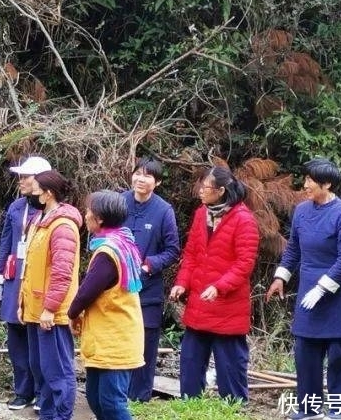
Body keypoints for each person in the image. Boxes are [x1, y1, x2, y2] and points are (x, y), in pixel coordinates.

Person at [265, 158, 341, 419]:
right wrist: (280, 277)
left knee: (340, 353)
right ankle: (308, 407)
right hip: (307, 291)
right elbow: (293, 249)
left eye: (310, 180)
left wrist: (322, 289)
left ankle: (340, 409)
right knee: (306, 351)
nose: (305, 184)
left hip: (338, 293)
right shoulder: (302, 211)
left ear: (326, 184)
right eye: (304, 179)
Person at [169, 165, 259, 403]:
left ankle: (233, 411)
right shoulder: (202, 214)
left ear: (220, 191)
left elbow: (244, 264)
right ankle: (190, 409)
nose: (200, 190)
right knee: (190, 363)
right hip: (199, 303)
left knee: (230, 367)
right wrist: (182, 283)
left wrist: (219, 286)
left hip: (227, 307)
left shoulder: (243, 219)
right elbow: (191, 254)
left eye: (205, 186)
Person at [70, 190, 146, 420]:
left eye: (88, 211)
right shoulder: (122, 242)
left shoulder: (108, 252)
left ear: (99, 218)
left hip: (116, 339)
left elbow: (86, 293)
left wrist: (71, 313)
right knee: (95, 397)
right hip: (106, 338)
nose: (86, 214)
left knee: (112, 403)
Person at [20, 170, 81, 420]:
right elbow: (30, 266)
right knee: (41, 369)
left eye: (35, 189)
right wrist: (21, 304)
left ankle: (61, 415)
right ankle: (47, 415)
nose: (31, 193)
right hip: (35, 308)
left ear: (48, 194)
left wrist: (50, 308)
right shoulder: (39, 219)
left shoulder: (63, 225)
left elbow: (62, 273)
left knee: (58, 370)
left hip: (51, 313)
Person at [0, 156, 51, 410]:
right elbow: (6, 241)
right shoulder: (16, 207)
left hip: (39, 280)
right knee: (16, 335)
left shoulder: (53, 209)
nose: (21, 181)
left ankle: (42, 392)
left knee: (37, 337)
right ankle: (22, 391)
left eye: (26, 176)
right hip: (15, 277)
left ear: (41, 180)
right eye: (21, 176)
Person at [119, 158, 181, 402]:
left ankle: (140, 395)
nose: (140, 179)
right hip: (118, 287)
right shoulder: (120, 202)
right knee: (121, 339)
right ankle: (119, 392)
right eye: (137, 173)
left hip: (147, 289)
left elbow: (172, 249)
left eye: (147, 176)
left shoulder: (164, 210)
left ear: (158, 182)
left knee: (145, 343)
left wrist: (148, 265)